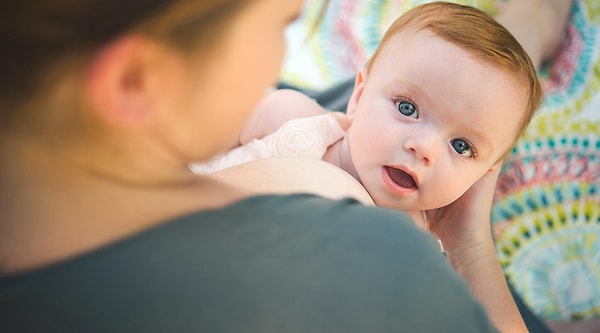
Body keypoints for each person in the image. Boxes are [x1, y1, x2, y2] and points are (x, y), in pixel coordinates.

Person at [0, 0, 528, 332]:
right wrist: (471, 247)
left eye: (464, 148)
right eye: (281, 24)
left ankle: (531, 21)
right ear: (136, 81)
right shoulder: (396, 263)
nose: (425, 148)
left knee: (461, 81)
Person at [192, 1, 543, 231]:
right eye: (407, 108)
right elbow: (196, 133)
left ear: (486, 174)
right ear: (359, 95)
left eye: (462, 146)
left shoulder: (414, 249)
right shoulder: (293, 118)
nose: (424, 149)